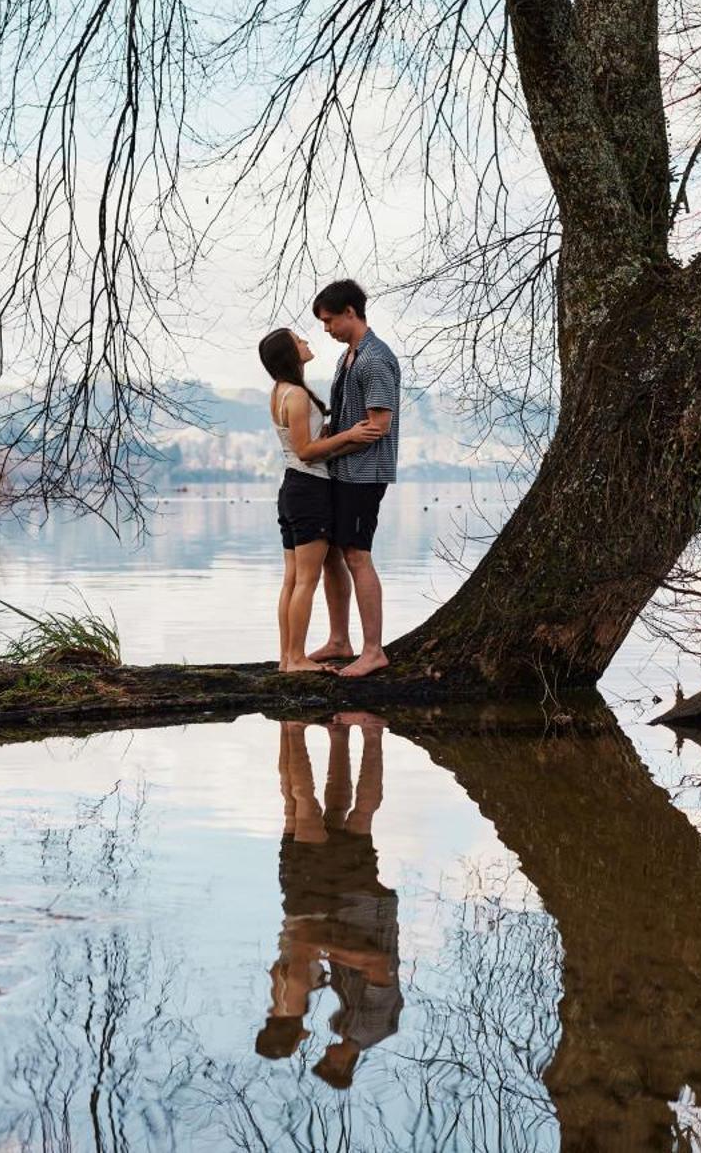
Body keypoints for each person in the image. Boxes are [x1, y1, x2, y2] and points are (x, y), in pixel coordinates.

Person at [255, 716, 403, 1089]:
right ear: (340, 1067)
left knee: (324, 809)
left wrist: (324, 948)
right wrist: (328, 950)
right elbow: (377, 965)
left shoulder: (339, 1022)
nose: (321, 1051)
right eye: (325, 1061)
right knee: (317, 808)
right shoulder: (367, 1028)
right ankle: (317, 730)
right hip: (360, 911)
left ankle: (325, 731)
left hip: (339, 906)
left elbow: (306, 949)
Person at [257, 328, 385, 673]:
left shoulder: (280, 392)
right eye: (299, 341)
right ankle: (297, 659)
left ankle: (288, 657)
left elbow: (303, 443)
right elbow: (305, 451)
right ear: (289, 354)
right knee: (305, 581)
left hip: (294, 489)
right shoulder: (296, 395)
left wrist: (325, 435)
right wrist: (349, 435)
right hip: (309, 490)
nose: (307, 343)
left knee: (293, 579)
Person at [305, 280, 401, 678]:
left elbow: (377, 426)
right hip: (342, 471)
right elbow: (350, 422)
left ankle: (373, 650)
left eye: (329, 321)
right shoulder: (350, 357)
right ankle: (340, 640)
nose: (326, 329)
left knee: (357, 555)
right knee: (334, 555)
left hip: (364, 474)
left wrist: (330, 448)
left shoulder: (375, 359)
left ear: (350, 312)